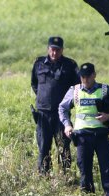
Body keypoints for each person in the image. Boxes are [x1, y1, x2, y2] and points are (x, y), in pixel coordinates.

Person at [58, 63, 109, 196]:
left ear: (94, 75)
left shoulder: (105, 89)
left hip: (101, 135)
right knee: (84, 168)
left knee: (106, 166)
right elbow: (62, 108)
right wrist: (67, 125)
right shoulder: (74, 90)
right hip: (82, 136)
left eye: (88, 76)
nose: (86, 80)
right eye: (83, 77)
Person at [30, 36, 80, 174]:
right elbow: (34, 84)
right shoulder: (39, 63)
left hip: (61, 114)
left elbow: (78, 87)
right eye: (52, 50)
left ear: (62, 50)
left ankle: (66, 176)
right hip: (43, 114)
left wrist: (67, 103)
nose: (54, 53)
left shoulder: (70, 65)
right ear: (48, 49)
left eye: (57, 50)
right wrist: (44, 99)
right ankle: (44, 177)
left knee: (63, 146)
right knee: (43, 147)